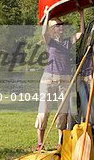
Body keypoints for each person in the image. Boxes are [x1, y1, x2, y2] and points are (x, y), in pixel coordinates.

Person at [35, 8, 85, 151]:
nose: (61, 27)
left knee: (63, 113)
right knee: (44, 112)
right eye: (58, 25)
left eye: (62, 25)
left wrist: (81, 14)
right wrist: (47, 16)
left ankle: (60, 144)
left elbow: (80, 33)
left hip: (65, 81)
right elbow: (43, 32)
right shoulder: (49, 41)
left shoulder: (67, 42)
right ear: (52, 29)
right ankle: (40, 143)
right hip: (48, 80)